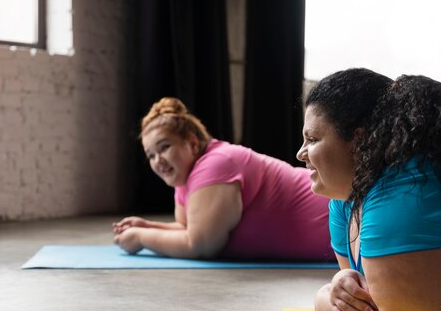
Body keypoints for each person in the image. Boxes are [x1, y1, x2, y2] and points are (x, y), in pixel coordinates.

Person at [297, 69, 441, 311]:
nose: (301, 153)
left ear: (359, 141)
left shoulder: (401, 190)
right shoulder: (343, 200)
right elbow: (362, 300)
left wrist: (322, 301)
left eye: (312, 139)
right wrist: (340, 283)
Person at [112, 97, 332, 260]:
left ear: (192, 143)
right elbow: (188, 227)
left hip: (348, 213)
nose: (157, 160)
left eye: (164, 147)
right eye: (151, 155)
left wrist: (141, 237)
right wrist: (149, 226)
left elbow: (200, 244)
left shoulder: (216, 164)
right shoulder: (184, 178)